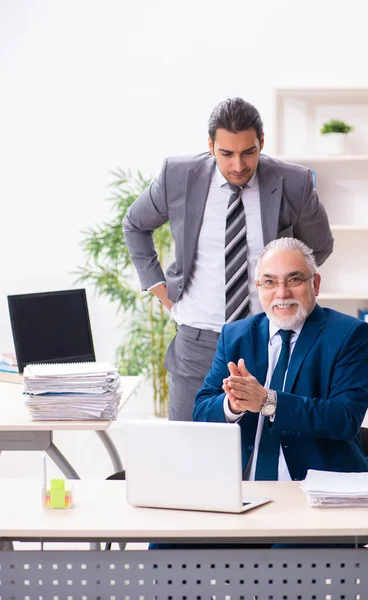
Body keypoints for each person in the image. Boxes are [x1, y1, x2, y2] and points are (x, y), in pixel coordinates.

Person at [122, 97, 334, 421]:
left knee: (266, 456)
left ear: (261, 142)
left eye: (249, 152)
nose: (238, 165)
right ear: (210, 145)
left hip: (268, 337)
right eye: (227, 153)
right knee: (189, 447)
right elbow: (135, 224)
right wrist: (161, 292)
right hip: (197, 341)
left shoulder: (294, 182)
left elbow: (319, 246)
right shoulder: (177, 176)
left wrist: (284, 291)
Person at [193, 237, 368, 480]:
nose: (282, 293)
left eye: (294, 279)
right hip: (242, 488)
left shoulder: (350, 334)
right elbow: (201, 412)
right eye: (270, 282)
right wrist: (233, 405)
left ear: (316, 284)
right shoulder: (234, 335)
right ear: (258, 288)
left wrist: (268, 401)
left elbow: (345, 419)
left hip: (319, 487)